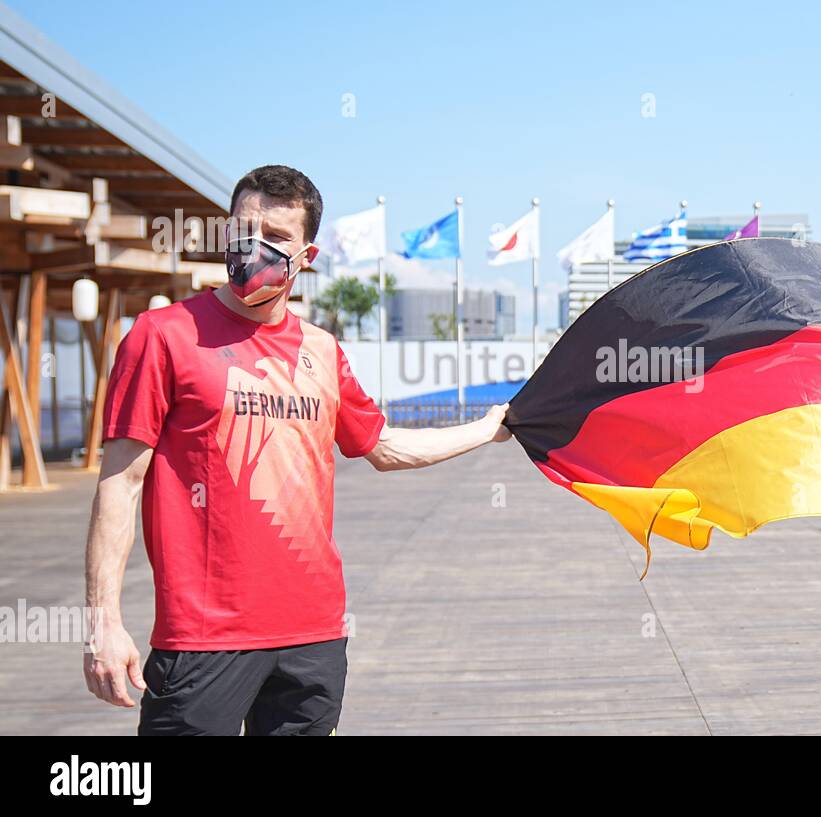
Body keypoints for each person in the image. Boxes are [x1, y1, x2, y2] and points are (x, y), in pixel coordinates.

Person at [83, 165, 510, 735]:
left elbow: (384, 446)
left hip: (314, 636)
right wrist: (103, 623)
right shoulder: (163, 335)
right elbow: (121, 483)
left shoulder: (322, 350)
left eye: (275, 236)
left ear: (306, 257)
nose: (253, 245)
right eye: (244, 229)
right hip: (203, 640)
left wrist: (488, 428)